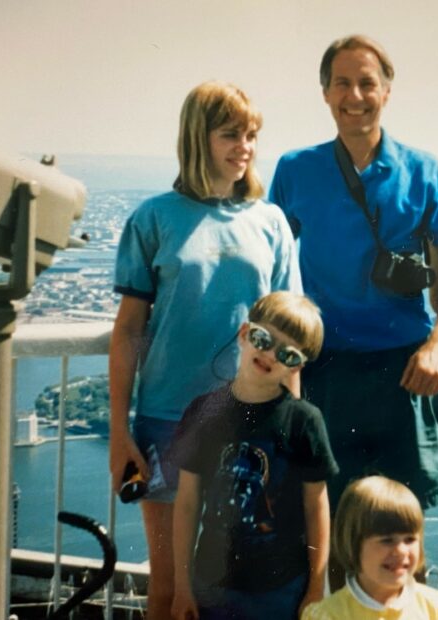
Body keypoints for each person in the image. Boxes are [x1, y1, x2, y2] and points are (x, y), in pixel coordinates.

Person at [108, 81, 299, 619]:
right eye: (230, 134)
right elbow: (128, 333)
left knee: (238, 586)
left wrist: (290, 430)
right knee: (168, 591)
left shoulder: (272, 224)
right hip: (167, 424)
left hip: (251, 427)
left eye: (252, 135)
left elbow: (288, 342)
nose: (245, 146)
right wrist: (120, 434)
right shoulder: (154, 219)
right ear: (199, 137)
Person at [268, 34, 438, 518]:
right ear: (325, 93)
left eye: (367, 83)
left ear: (387, 92)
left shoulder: (421, 170)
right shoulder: (297, 169)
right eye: (342, 83)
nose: (355, 96)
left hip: (405, 370)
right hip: (324, 370)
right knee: (331, 524)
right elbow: (271, 267)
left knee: (404, 531)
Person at [169, 292, 336, 620]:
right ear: (244, 333)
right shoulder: (204, 413)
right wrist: (182, 586)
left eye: (287, 354)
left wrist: (316, 588)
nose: (270, 355)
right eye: (263, 339)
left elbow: (317, 507)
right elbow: (187, 502)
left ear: (298, 366)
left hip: (281, 587)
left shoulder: (304, 421)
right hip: (210, 584)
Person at [300, 476, 438, 620]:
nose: (401, 551)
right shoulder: (330, 615)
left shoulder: (437, 609)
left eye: (409, 539)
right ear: (353, 544)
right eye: (387, 540)